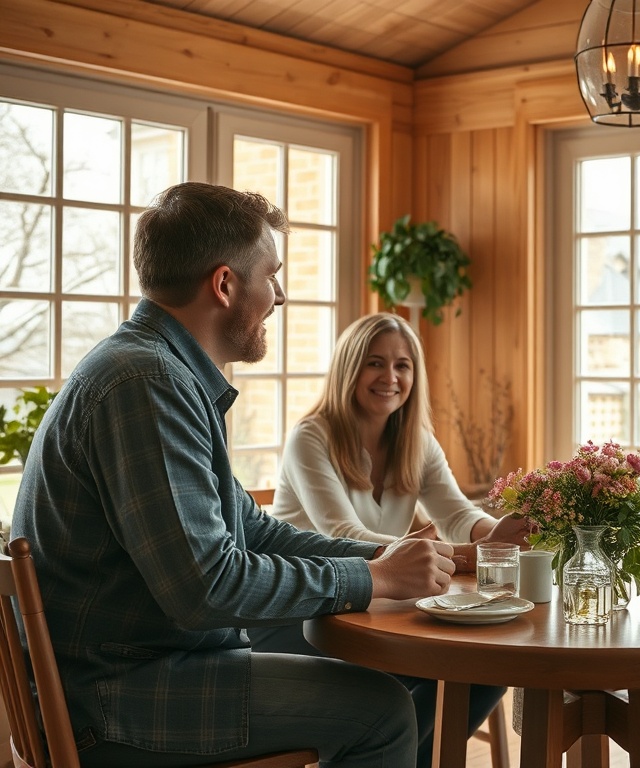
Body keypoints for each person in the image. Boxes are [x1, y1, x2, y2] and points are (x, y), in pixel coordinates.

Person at [11, 182, 459, 768]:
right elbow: (206, 588)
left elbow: (255, 530)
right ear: (224, 285)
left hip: (138, 670)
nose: (279, 296)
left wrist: (384, 562)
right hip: (114, 698)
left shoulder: (163, 372)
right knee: (382, 710)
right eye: (271, 275)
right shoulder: (146, 384)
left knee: (393, 693)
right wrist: (372, 580)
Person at [260, 311, 532, 767]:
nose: (390, 377)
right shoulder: (311, 437)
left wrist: (497, 536)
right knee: (417, 686)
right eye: (375, 362)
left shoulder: (417, 442)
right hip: (303, 612)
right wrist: (466, 557)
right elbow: (342, 535)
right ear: (350, 367)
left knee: (487, 670)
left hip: (374, 609)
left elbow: (457, 512)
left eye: (402, 365)